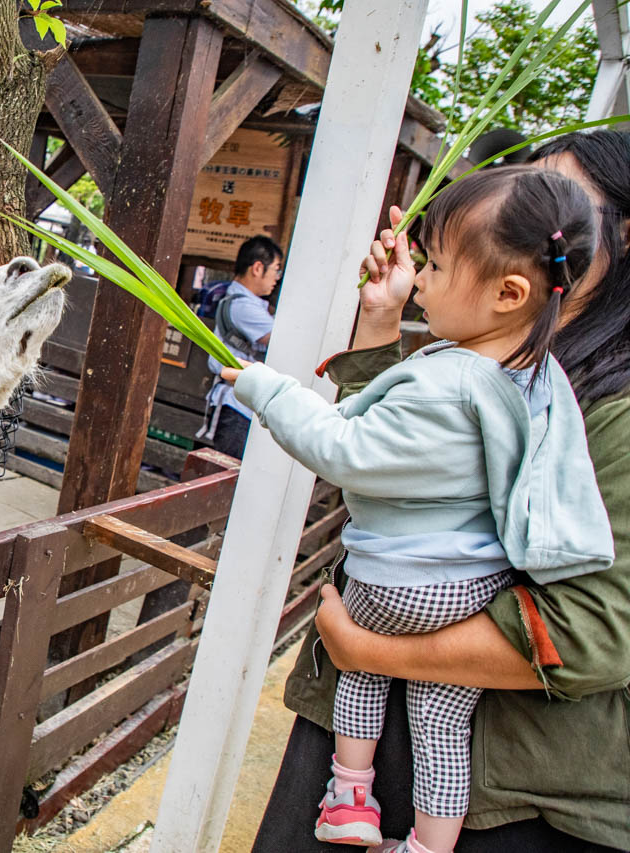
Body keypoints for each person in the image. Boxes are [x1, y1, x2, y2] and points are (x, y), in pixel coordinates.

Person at [252, 129, 630, 853]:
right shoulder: (498, 360)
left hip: (515, 796)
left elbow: (592, 634)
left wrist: (367, 649)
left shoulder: (606, 402)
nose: (530, 209)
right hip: (369, 736)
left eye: (560, 199)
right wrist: (385, 318)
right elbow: (396, 472)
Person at [197, 235, 283, 458]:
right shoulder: (243, 307)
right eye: (276, 269)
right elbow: (283, 341)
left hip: (242, 403)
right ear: (257, 268)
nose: (277, 278)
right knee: (228, 472)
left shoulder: (243, 302)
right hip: (236, 405)